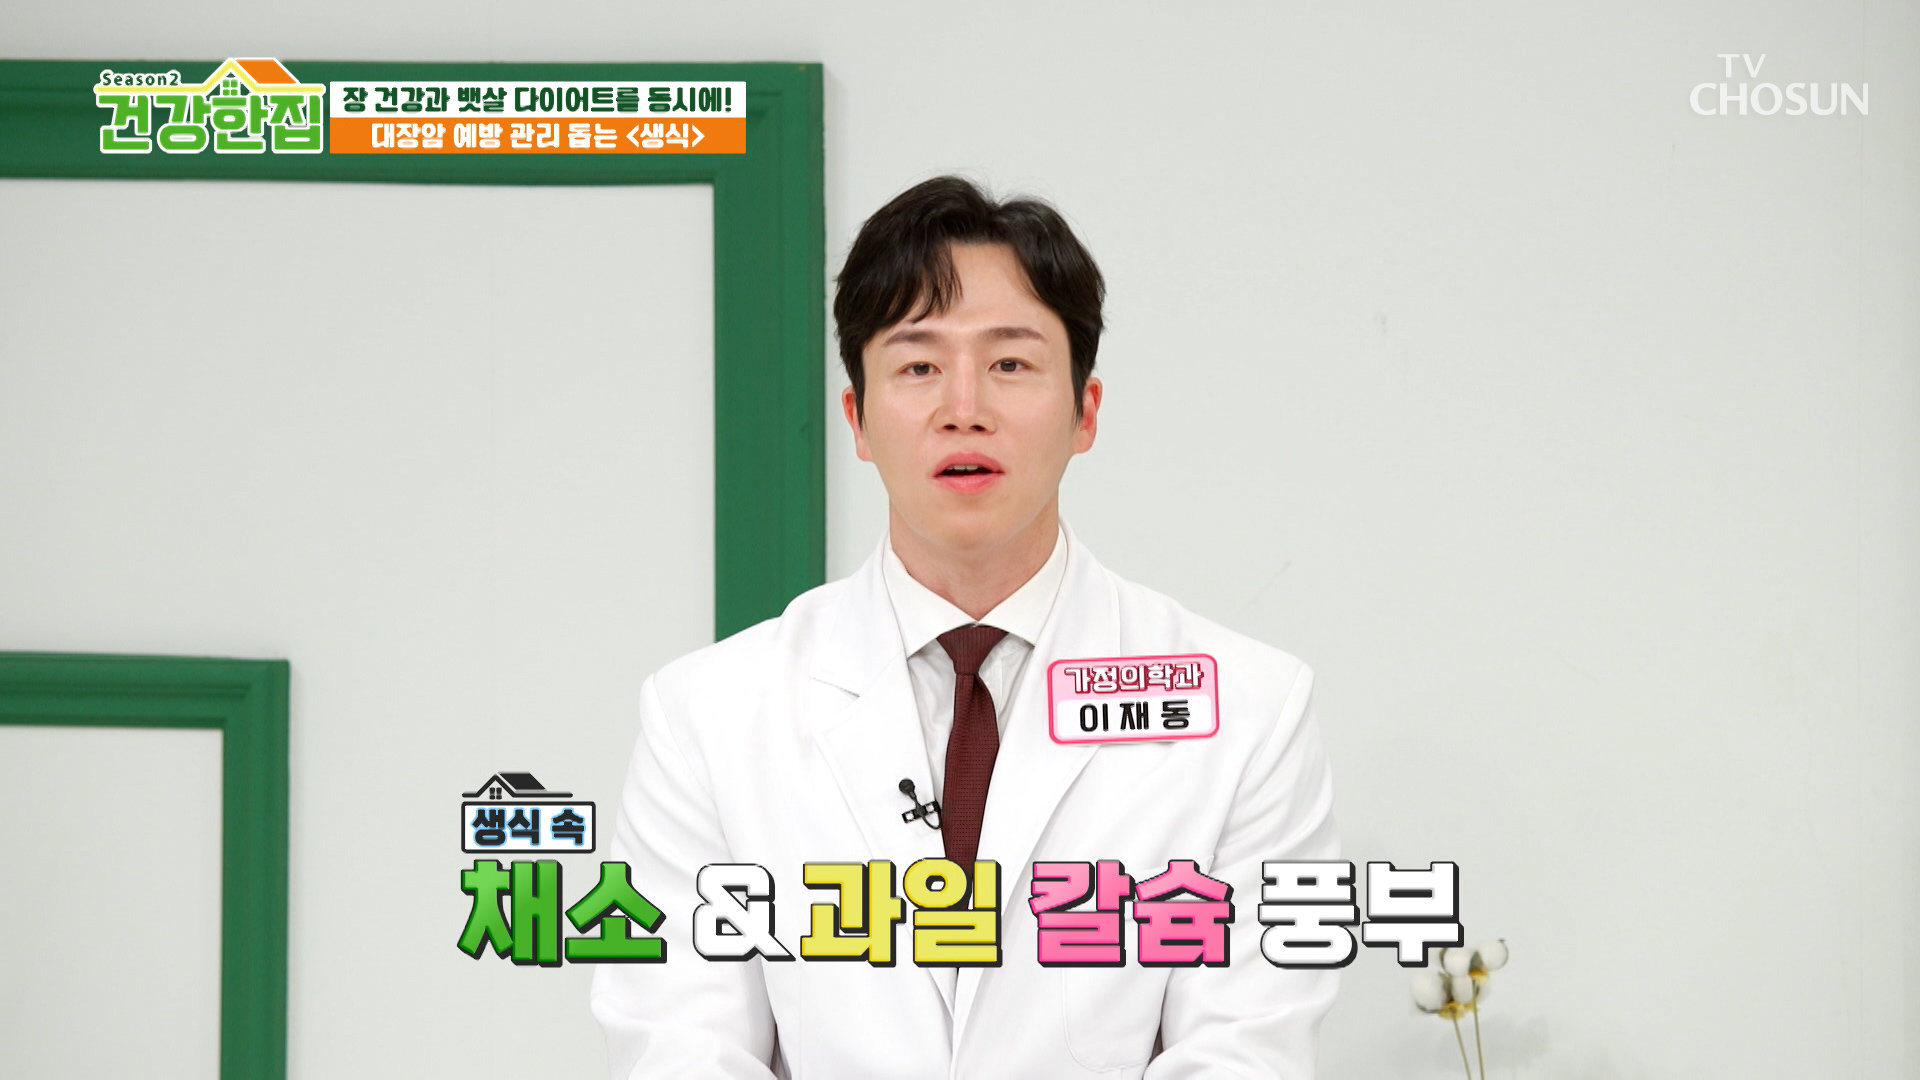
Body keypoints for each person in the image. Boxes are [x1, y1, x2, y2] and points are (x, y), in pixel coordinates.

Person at [591, 175, 1339, 1079]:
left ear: (1085, 413)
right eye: (918, 366)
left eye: (1010, 364)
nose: (964, 407)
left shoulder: (1247, 709)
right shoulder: (706, 716)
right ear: (857, 420)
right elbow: (682, 1050)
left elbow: (1244, 1053)